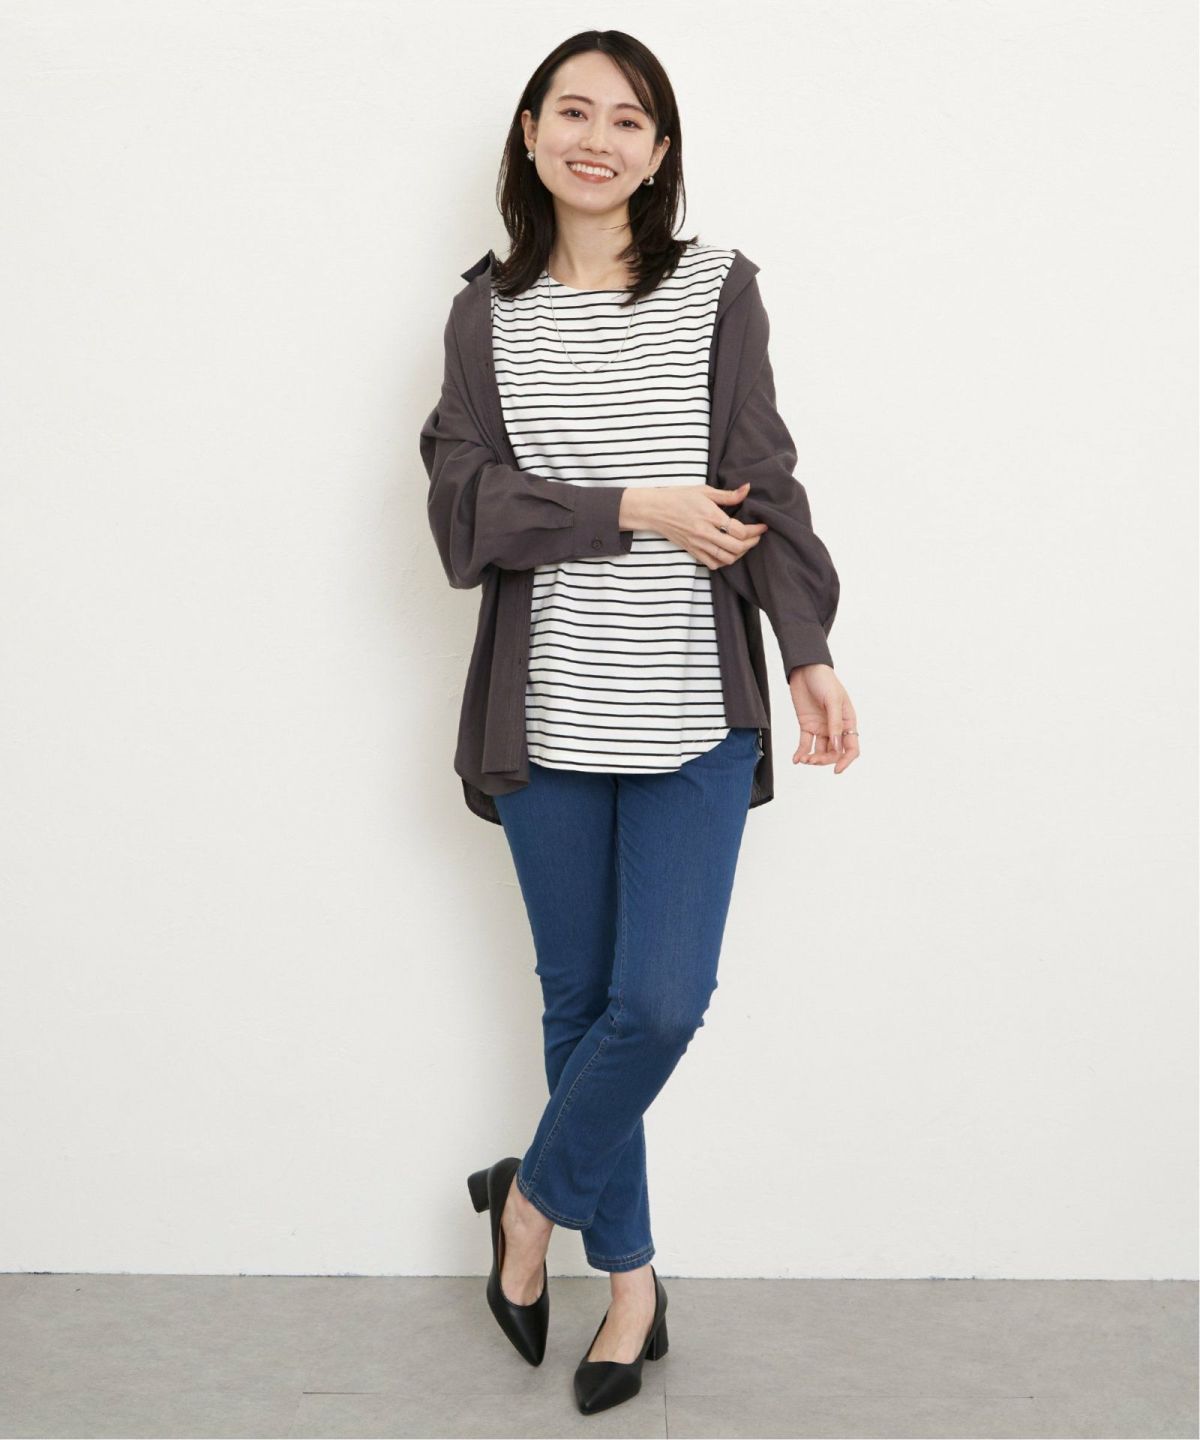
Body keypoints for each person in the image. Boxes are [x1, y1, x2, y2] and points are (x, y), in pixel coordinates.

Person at [421, 29, 860, 1417]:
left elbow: (763, 479)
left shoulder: (716, 289)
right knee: (581, 1006)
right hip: (545, 715)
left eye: (628, 119)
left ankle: (527, 1206)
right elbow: (464, 509)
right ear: (532, 132)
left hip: (688, 709)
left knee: (658, 1002)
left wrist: (806, 650)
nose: (596, 138)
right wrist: (634, 507)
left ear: (660, 152)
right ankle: (632, 1286)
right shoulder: (487, 314)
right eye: (573, 111)